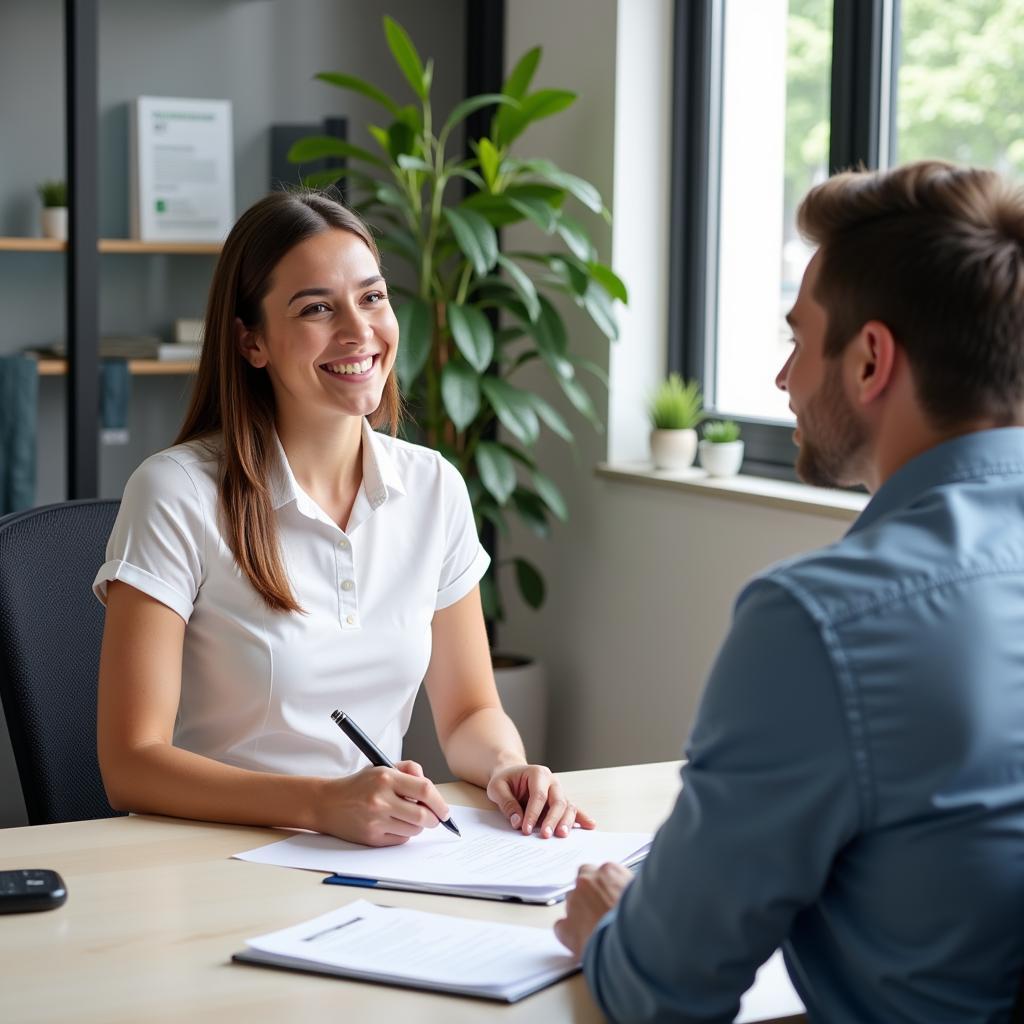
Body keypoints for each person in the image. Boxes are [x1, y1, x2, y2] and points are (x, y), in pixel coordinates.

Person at [555, 160, 1024, 1022]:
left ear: (871, 359)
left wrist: (613, 933)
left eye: (797, 340)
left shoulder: (826, 620)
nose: (782, 382)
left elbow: (669, 993)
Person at [94, 190, 593, 847]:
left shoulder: (433, 486)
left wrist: (508, 765)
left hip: (367, 853)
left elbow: (471, 710)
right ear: (252, 342)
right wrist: (323, 805)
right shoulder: (176, 492)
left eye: (372, 297)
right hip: (209, 859)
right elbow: (131, 763)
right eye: (317, 309)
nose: (359, 332)